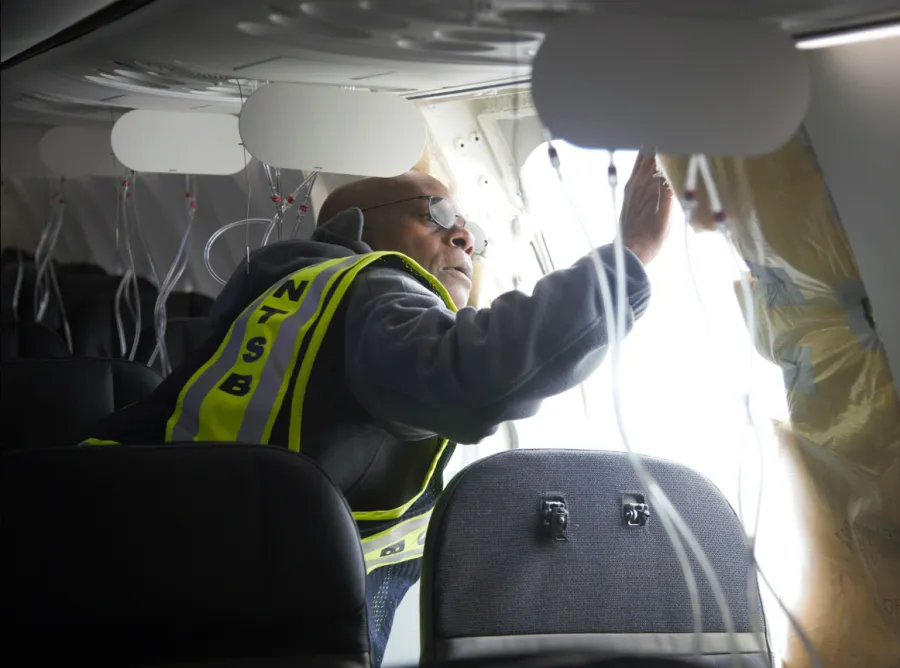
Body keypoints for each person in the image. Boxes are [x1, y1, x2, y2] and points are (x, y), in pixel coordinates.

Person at [83, 153, 673, 663]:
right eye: (436, 214)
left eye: (471, 231)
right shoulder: (372, 287)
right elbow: (473, 374)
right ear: (354, 227)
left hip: (143, 567)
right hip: (255, 618)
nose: (465, 238)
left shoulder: (290, 297)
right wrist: (629, 259)